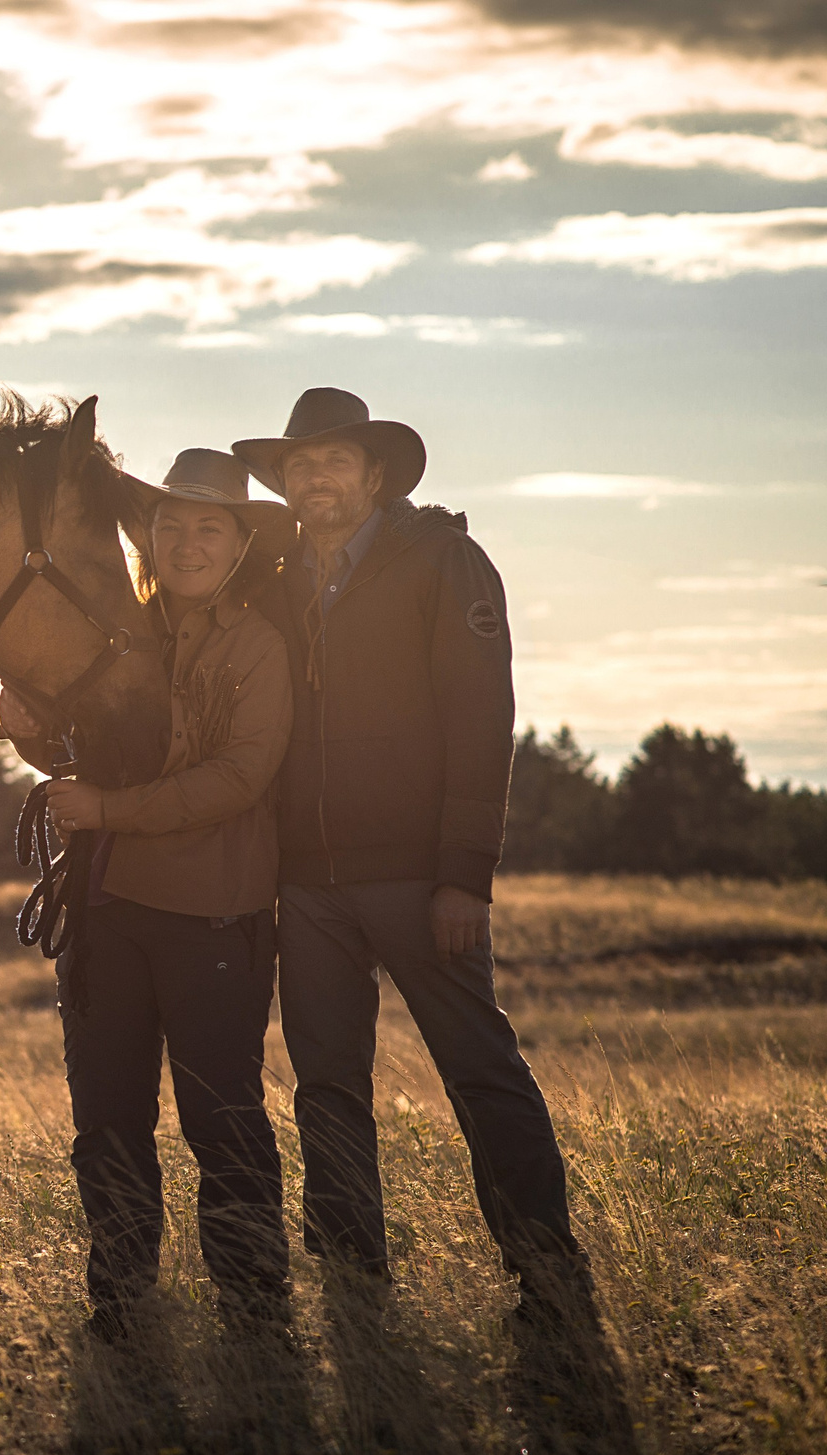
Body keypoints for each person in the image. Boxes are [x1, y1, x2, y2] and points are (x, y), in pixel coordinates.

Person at [231, 387, 586, 1319]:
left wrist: (466, 874)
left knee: (480, 1068)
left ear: (375, 474)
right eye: (300, 465)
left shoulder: (444, 561)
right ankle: (354, 1277)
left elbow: (482, 720)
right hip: (306, 886)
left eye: (336, 461)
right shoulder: (270, 579)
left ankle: (547, 1269)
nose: (316, 477)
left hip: (420, 878)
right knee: (328, 1086)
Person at [0, 448, 297, 1340]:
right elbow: (74, 755)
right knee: (108, 1120)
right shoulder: (113, 630)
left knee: (222, 1119)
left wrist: (106, 808)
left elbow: (240, 777)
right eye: (171, 524)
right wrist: (31, 735)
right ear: (149, 536)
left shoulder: (258, 646)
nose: (187, 542)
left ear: (241, 544)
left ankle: (254, 1311)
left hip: (213, 913)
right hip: (108, 915)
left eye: (209, 526)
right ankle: (121, 1304)